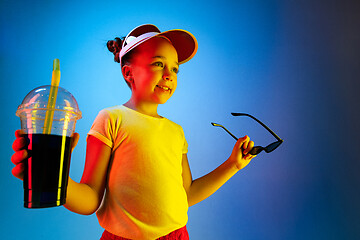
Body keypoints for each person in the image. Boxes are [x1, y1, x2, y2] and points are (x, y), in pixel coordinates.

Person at [11, 24, 256, 240]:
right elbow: (90, 200)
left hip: (177, 236)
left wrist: (232, 165)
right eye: (159, 64)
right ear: (128, 72)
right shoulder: (111, 119)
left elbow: (186, 194)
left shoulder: (176, 131)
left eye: (175, 68)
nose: (169, 75)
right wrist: (51, 178)